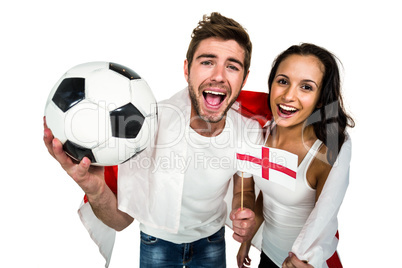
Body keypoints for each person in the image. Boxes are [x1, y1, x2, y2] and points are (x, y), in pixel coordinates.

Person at [43, 12, 263, 268]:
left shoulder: (249, 130)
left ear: (244, 78)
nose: (219, 75)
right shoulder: (144, 127)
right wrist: (95, 188)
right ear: (186, 70)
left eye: (232, 66)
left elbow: (244, 186)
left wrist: (244, 209)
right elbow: (120, 221)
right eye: (207, 62)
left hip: (212, 241)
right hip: (157, 242)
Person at [236, 43, 355, 268]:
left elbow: (324, 221)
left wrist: (307, 261)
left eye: (306, 87)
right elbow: (267, 197)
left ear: (321, 99)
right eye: (283, 81)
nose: (289, 96)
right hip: (269, 255)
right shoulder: (262, 132)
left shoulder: (324, 154)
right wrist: (246, 241)